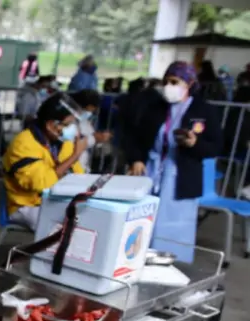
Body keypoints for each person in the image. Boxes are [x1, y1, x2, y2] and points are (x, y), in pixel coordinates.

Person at [126, 61, 221, 263]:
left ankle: (171, 265)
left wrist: (194, 143)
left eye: (174, 82)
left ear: (189, 84)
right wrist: (136, 159)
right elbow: (136, 137)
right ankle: (134, 262)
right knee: (140, 223)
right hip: (149, 172)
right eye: (166, 81)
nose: (169, 86)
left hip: (181, 177)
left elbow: (215, 147)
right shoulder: (155, 108)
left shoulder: (203, 111)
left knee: (174, 228)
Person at [3, 93, 87, 230]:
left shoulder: (63, 142)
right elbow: (43, 184)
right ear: (50, 125)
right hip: (27, 205)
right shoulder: (23, 144)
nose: (73, 129)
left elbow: (79, 176)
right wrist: (74, 156)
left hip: (54, 201)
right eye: (68, 124)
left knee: (90, 219)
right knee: (68, 228)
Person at [69, 89, 112, 173]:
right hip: (72, 164)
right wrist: (95, 138)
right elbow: (75, 141)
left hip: (82, 164)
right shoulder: (68, 120)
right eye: (90, 110)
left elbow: (90, 133)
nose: (91, 113)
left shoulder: (83, 119)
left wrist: (100, 137)